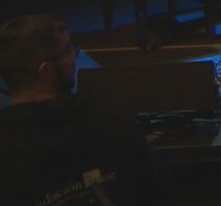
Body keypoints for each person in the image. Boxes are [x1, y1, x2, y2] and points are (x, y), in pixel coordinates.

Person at [0, 14, 161, 204]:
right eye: (68, 49)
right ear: (46, 71)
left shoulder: (7, 143)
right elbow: (155, 191)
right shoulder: (107, 119)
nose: (75, 55)